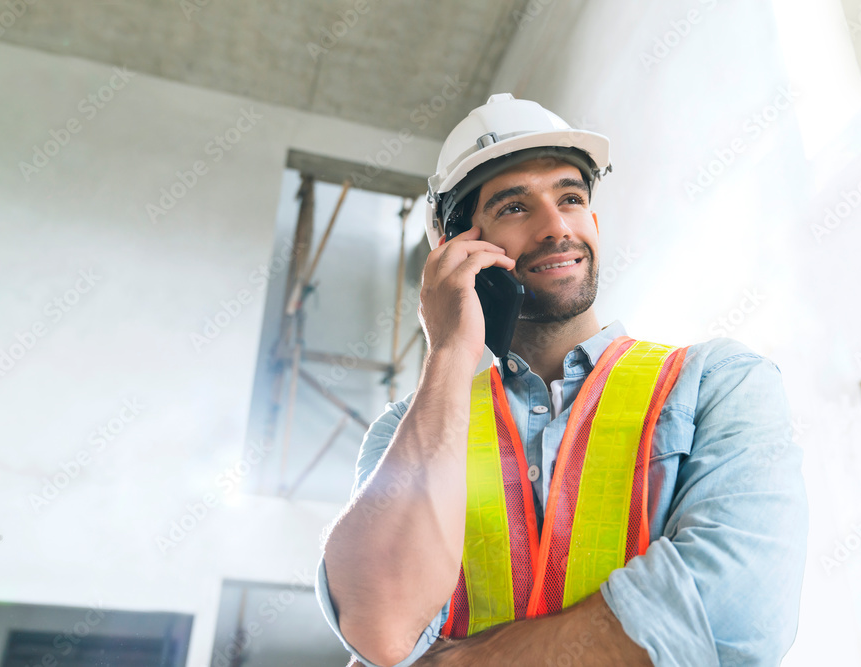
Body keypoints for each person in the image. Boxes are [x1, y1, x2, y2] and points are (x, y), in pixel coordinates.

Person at [316, 93, 808, 667]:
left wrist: (455, 661)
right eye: (515, 207)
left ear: (593, 223)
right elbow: (381, 625)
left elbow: (736, 613)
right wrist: (450, 350)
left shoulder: (715, 383)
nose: (556, 228)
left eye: (571, 199)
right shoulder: (406, 429)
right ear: (458, 251)